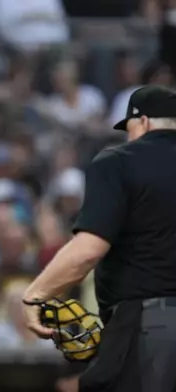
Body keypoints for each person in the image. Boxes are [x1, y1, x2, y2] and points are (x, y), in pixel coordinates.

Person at [22, 85, 176, 392]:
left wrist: (37, 293)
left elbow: (88, 250)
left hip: (154, 329)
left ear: (143, 121)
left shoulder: (120, 160)